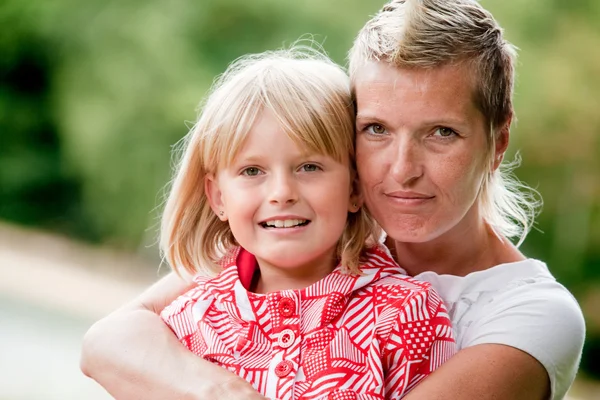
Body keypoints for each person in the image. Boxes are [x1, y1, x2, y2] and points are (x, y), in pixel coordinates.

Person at [80, 1, 586, 399]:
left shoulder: (532, 314)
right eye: (376, 129)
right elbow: (110, 341)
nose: (402, 170)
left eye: (441, 132)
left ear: (497, 141)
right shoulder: (302, 238)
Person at [135, 47, 456, 399]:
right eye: (252, 171)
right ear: (219, 197)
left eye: (309, 167)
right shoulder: (188, 319)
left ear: (353, 187)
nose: (281, 193)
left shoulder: (405, 315)